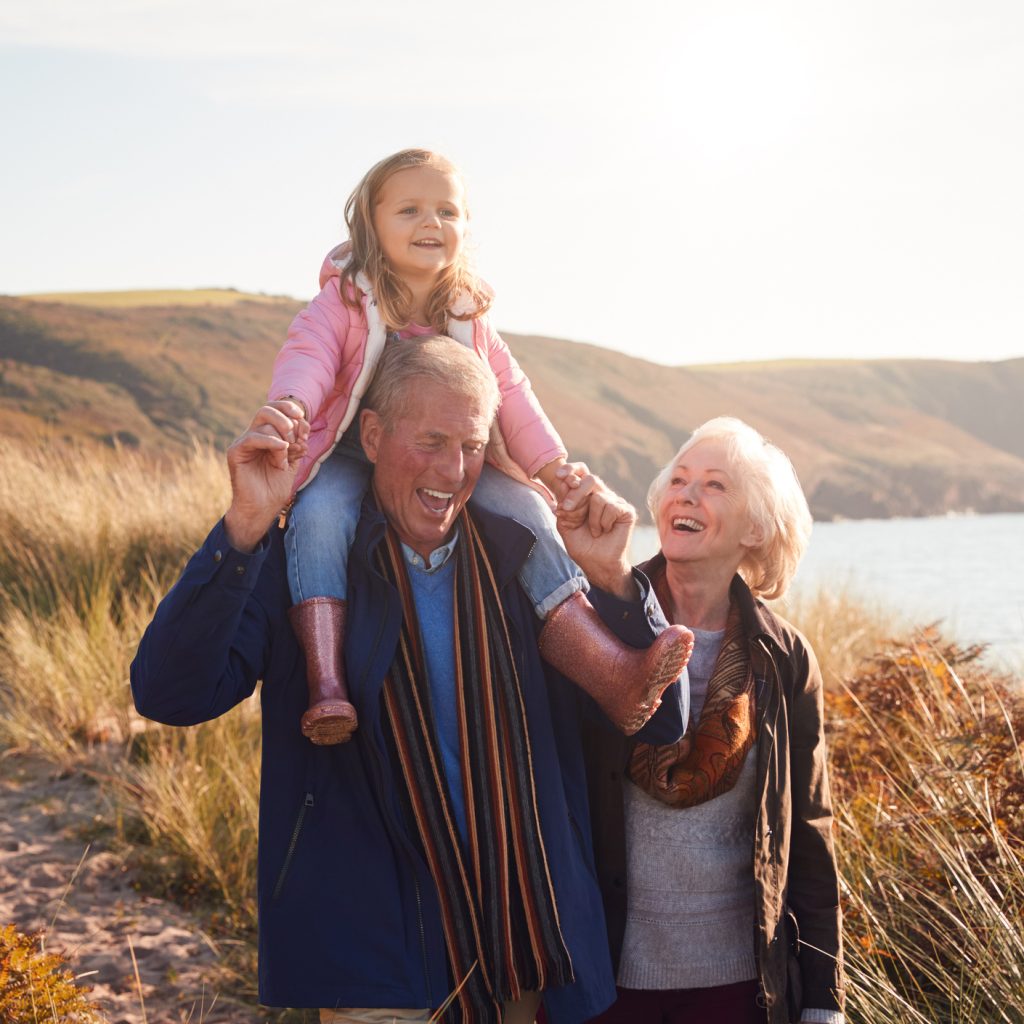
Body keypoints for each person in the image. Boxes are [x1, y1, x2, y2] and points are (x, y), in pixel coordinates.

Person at [131, 336, 689, 1024]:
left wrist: (612, 579)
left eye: (472, 446)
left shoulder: (527, 563)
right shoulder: (306, 569)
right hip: (373, 959)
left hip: (525, 948)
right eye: (430, 442)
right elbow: (170, 694)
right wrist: (245, 526)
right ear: (371, 434)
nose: (454, 471)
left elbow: (660, 725)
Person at [264, 147, 689, 745]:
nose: (431, 223)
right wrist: (292, 407)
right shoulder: (347, 302)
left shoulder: (468, 317)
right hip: (350, 451)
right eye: (409, 209)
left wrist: (551, 465)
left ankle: (611, 671)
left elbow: (510, 392)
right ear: (370, 221)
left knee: (530, 511)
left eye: (448, 211)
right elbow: (308, 357)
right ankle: (327, 682)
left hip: (454, 455)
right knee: (319, 517)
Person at [568, 417, 845, 1024]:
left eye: (715, 485)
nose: (686, 495)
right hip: (600, 982)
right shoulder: (593, 620)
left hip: (740, 988)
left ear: (755, 528)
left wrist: (824, 999)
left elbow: (810, 831)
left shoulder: (785, 659)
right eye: (679, 481)